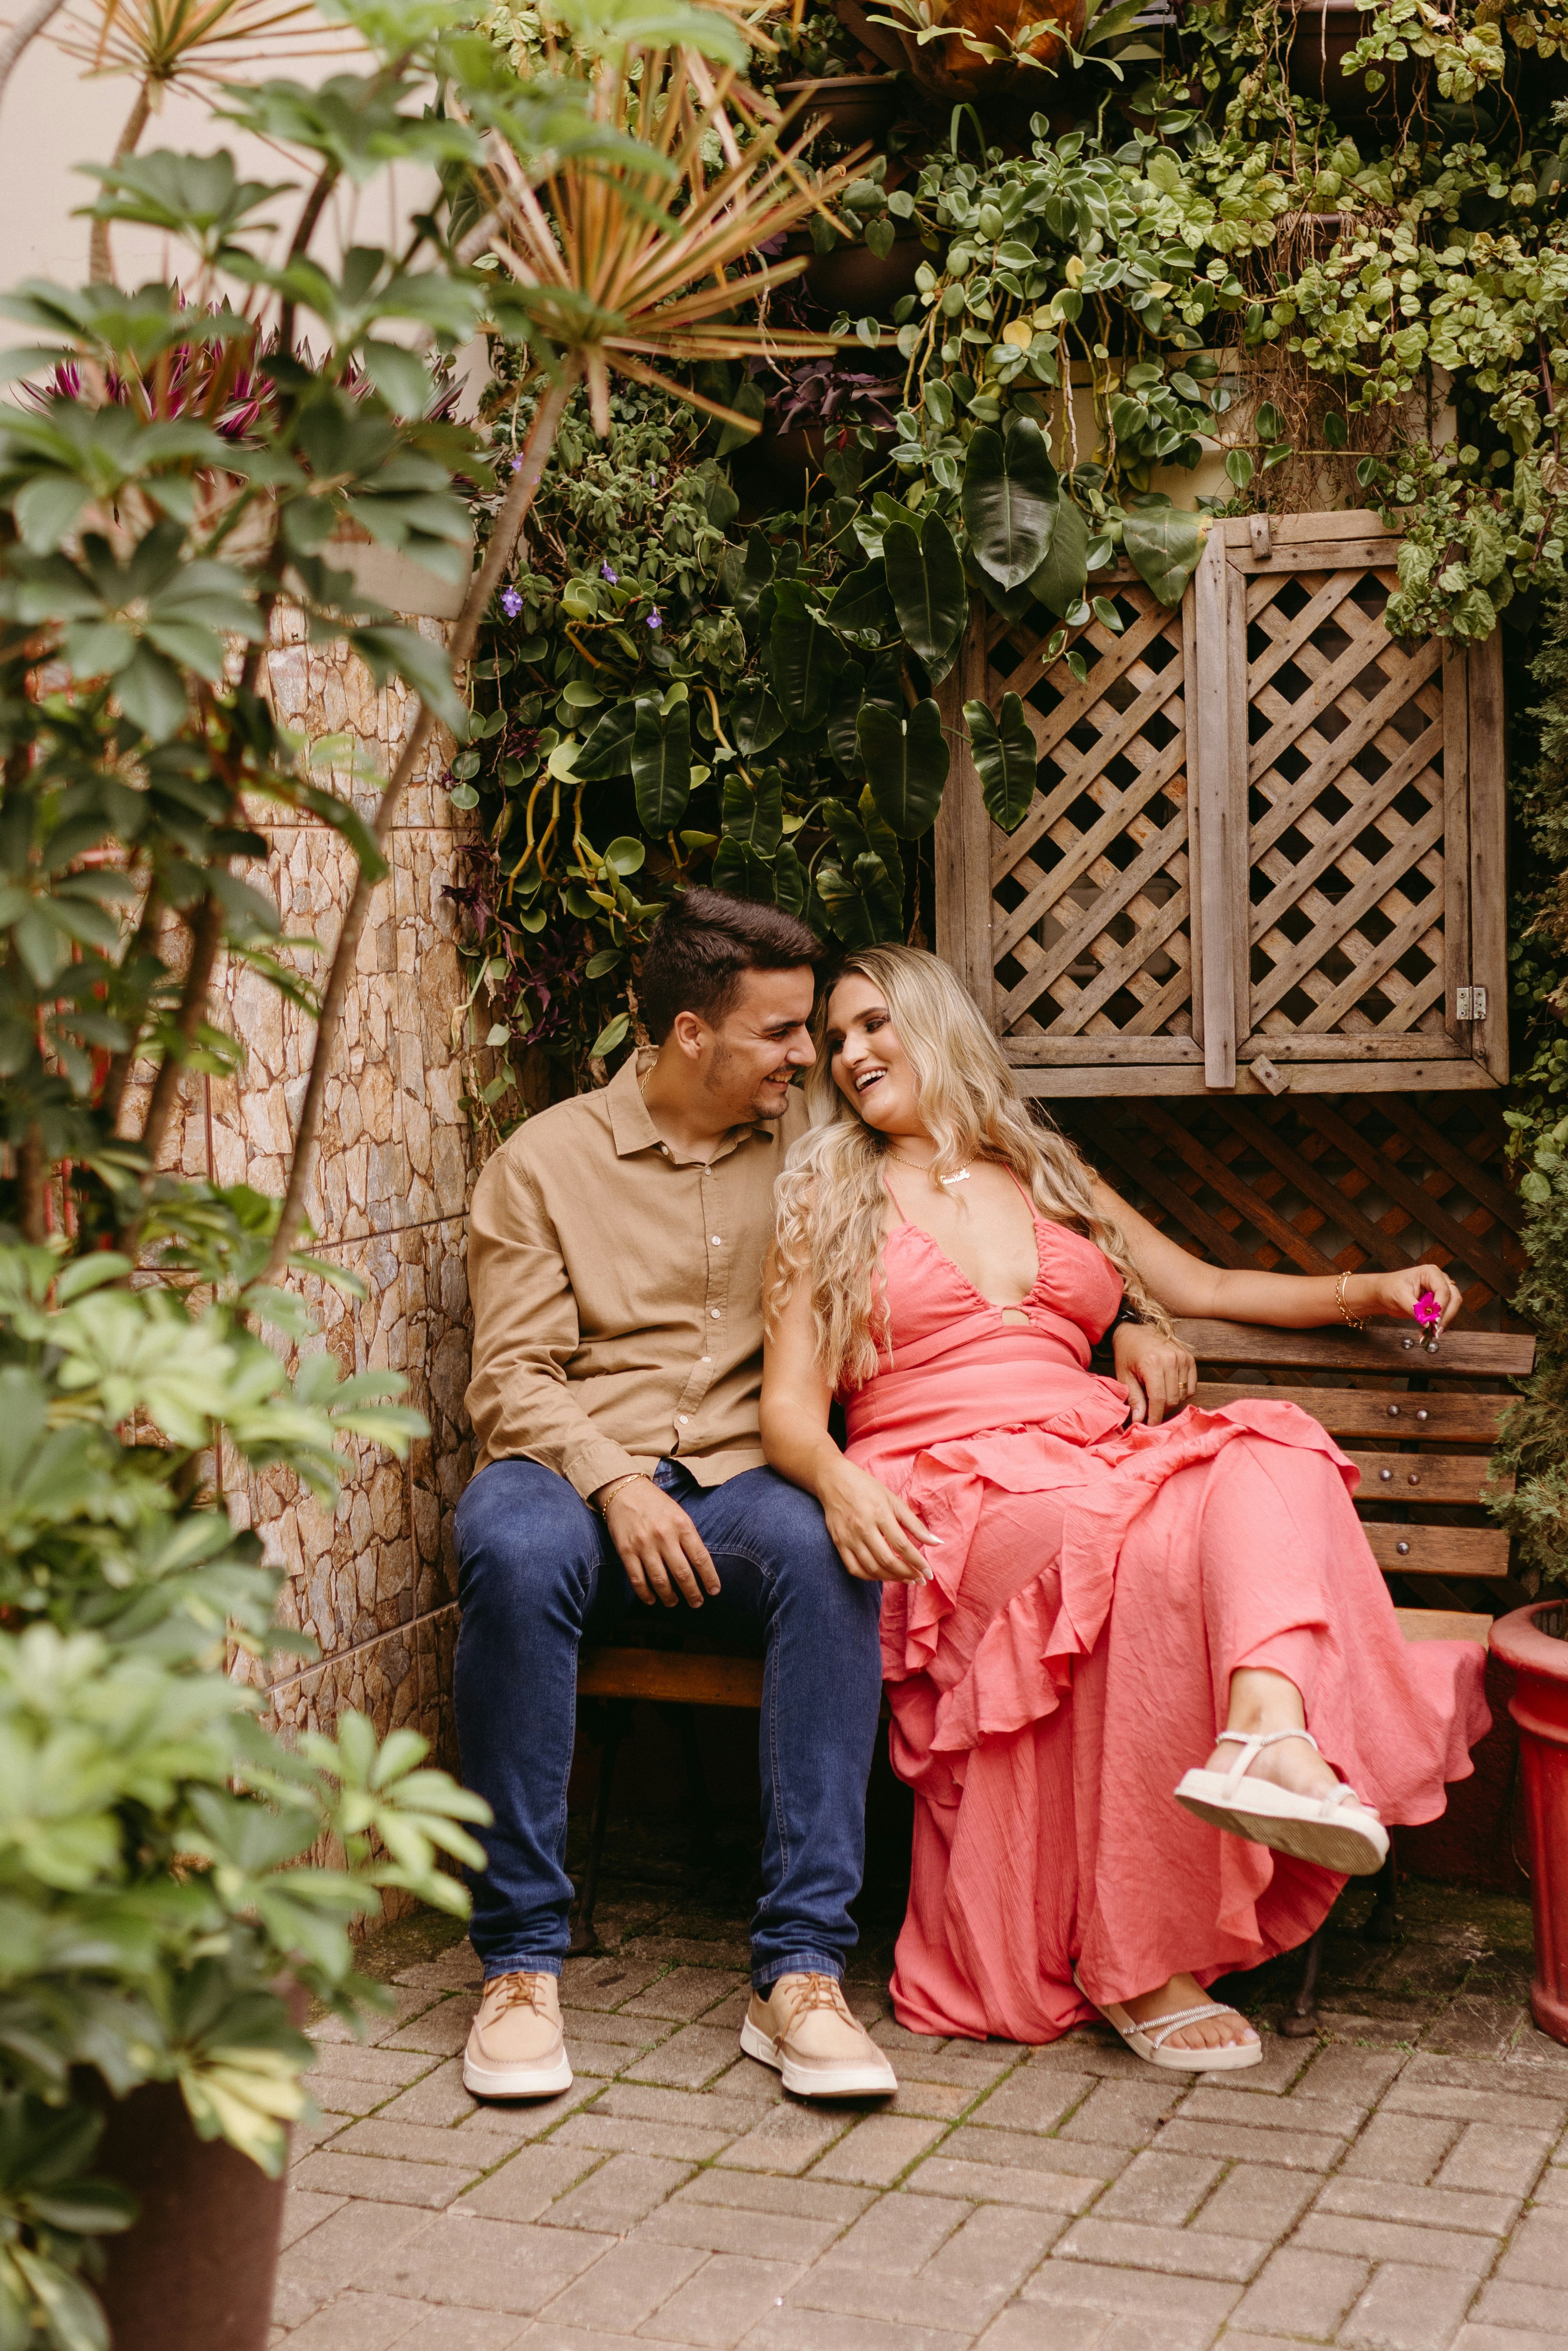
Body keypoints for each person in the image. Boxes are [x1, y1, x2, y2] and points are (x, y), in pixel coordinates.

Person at [761, 943, 1489, 2069]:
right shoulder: (827, 1192)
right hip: (947, 1493)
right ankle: (1141, 1960)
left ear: (932, 1020)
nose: (849, 1052)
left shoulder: (1043, 1169)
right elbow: (789, 1412)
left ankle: (1266, 1734)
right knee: (1137, 1550)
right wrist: (836, 1476)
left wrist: (1373, 1288)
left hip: (1088, 1457)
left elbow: (1197, 1286)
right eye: (835, 1037)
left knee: (1277, 1449)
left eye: (871, 1023)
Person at [454, 889, 897, 2102]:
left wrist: (1129, 1316)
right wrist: (610, 1480)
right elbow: (511, 1376)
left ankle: (801, 1969)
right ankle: (518, 1962)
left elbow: (991, 1193)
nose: (809, 1055)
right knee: (510, 1544)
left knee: (826, 1553)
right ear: (693, 1034)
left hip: (741, 1486)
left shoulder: (818, 1142)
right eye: (782, 1032)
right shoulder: (545, 1162)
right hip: (572, 1474)